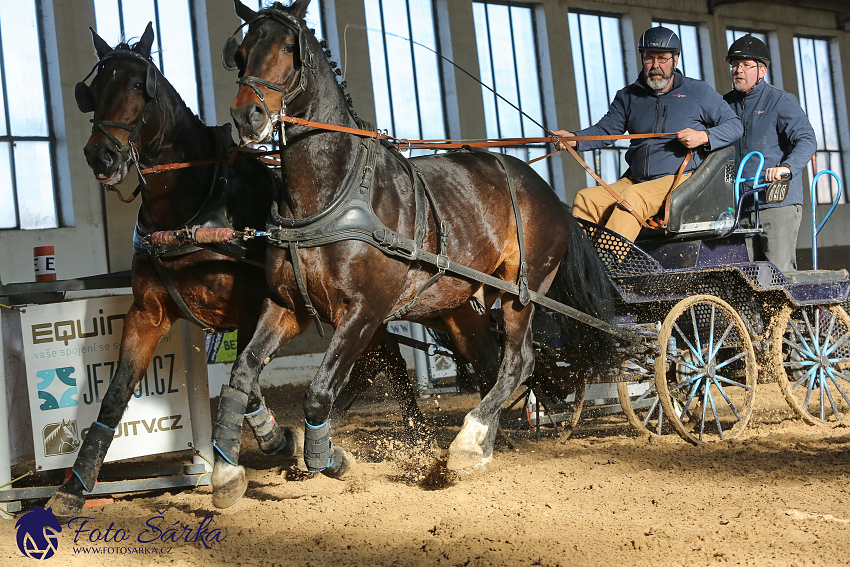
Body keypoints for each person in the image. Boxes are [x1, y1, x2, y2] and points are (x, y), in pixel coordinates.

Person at [554, 26, 743, 242]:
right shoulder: (628, 96)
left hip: (678, 180)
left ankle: (608, 267)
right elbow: (606, 131)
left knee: (632, 198)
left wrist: (703, 137)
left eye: (662, 59)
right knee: (586, 198)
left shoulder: (699, 92)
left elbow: (735, 126)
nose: (655, 66)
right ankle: (579, 265)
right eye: (649, 59)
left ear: (676, 60)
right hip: (635, 180)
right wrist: (573, 139)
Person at [723, 34, 816, 273]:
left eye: (746, 65)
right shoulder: (724, 105)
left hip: (776, 201)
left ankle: (784, 313)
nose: (738, 70)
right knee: (746, 278)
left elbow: (806, 139)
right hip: (741, 205)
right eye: (735, 64)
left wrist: (786, 168)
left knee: (778, 272)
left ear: (762, 70)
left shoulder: (780, 101)